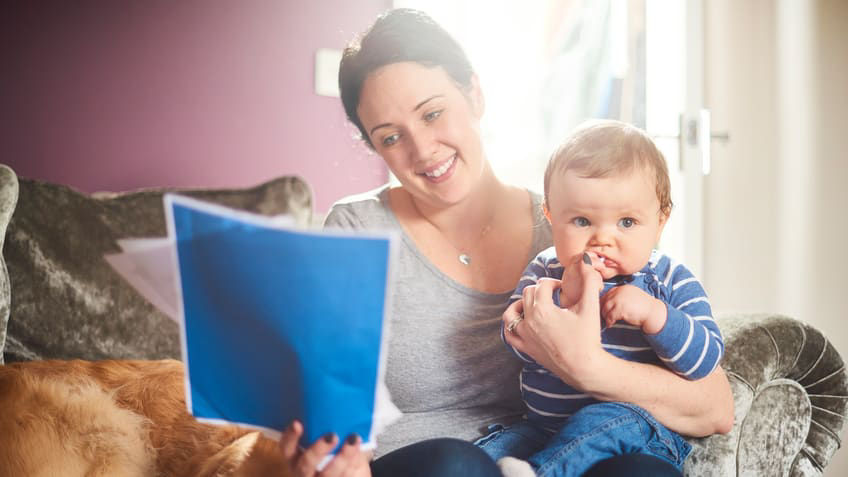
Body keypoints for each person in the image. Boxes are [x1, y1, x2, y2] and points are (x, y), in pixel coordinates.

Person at [277, 8, 734, 477]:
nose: (422, 150)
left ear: (474, 94)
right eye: (391, 137)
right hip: (437, 464)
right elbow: (324, 392)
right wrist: (330, 462)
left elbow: (716, 408)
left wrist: (587, 366)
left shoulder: (577, 227)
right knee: (457, 465)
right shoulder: (358, 229)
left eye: (433, 113)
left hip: (566, 452)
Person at [476, 120, 724, 477]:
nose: (602, 239)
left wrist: (656, 316)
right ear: (550, 215)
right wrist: (566, 299)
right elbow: (515, 344)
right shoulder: (546, 270)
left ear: (661, 219)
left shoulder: (669, 279)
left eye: (626, 222)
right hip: (544, 429)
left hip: (636, 429)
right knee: (488, 453)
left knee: (604, 418)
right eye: (581, 221)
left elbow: (705, 360)